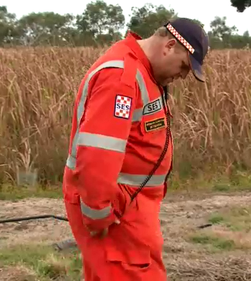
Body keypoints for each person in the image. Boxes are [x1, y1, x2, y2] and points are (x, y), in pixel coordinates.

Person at [62, 18, 209, 281]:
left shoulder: (143, 72)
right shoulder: (122, 78)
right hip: (116, 209)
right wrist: (98, 213)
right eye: (185, 66)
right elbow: (98, 152)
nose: (183, 75)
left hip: (131, 206)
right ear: (170, 46)